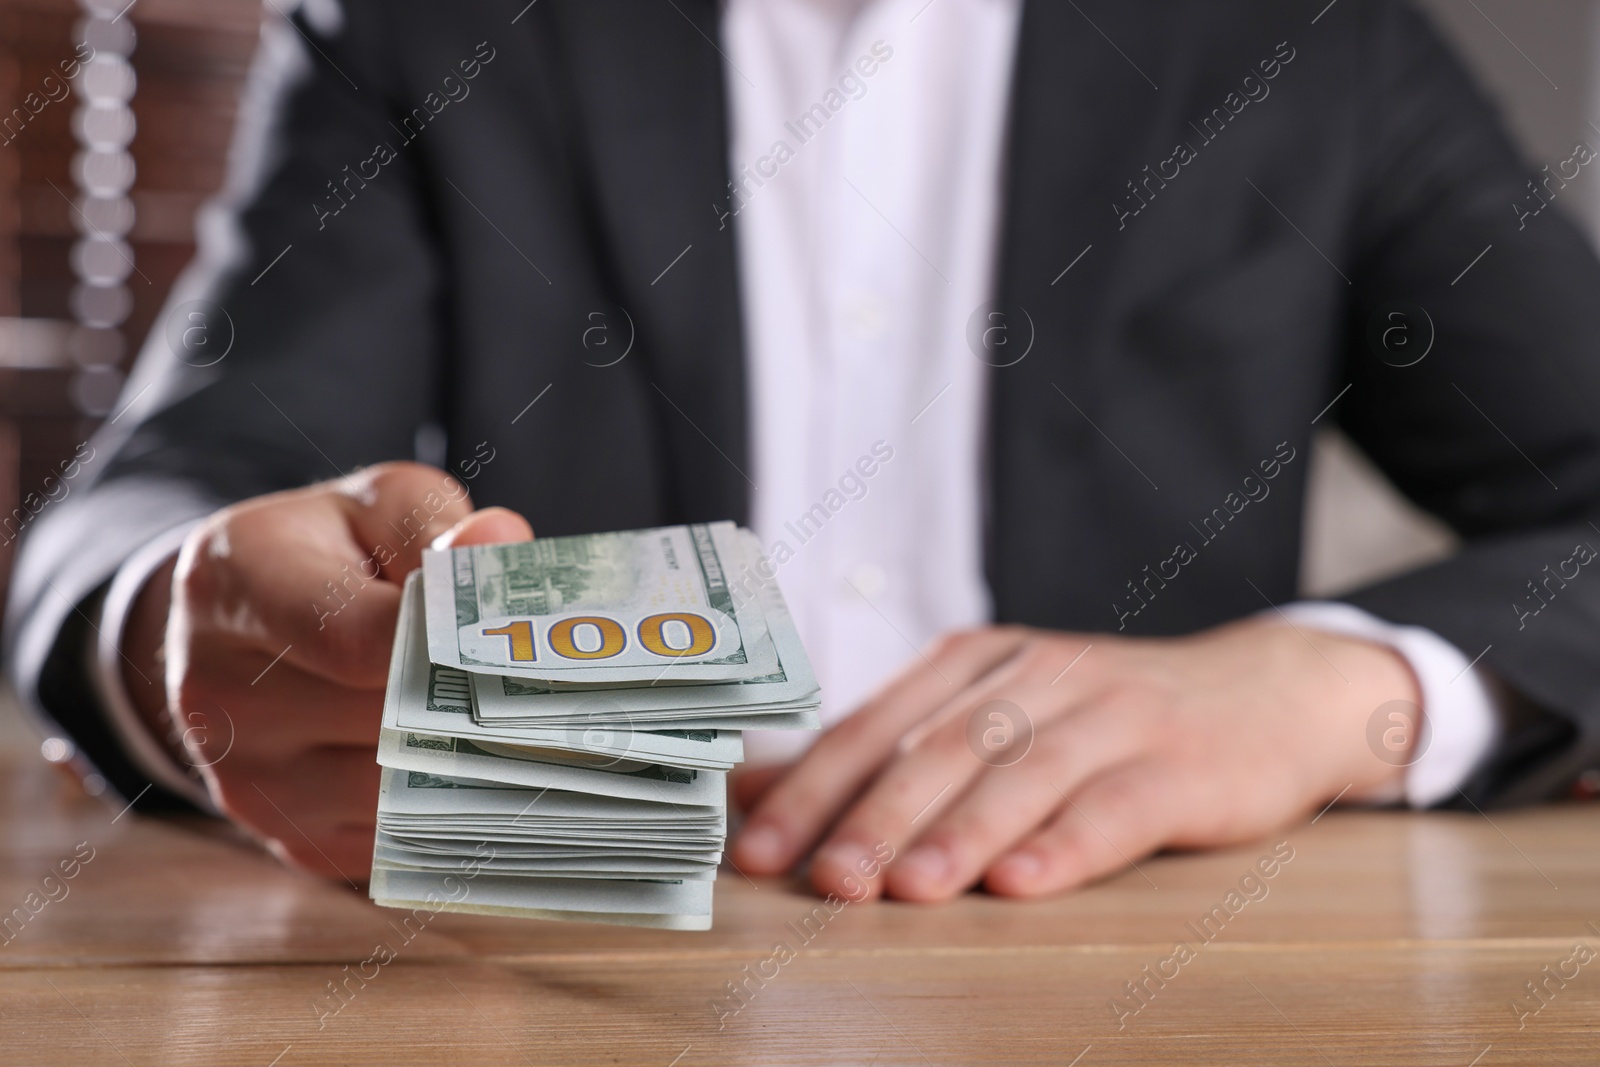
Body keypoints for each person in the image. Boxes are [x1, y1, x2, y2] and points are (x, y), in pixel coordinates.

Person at [7, 0, 1600, 905]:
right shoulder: (423, 26)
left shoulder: (1315, 42)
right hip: (551, 946)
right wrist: (171, 634)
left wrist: (1343, 692)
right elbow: (151, 504)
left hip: (1138, 950)